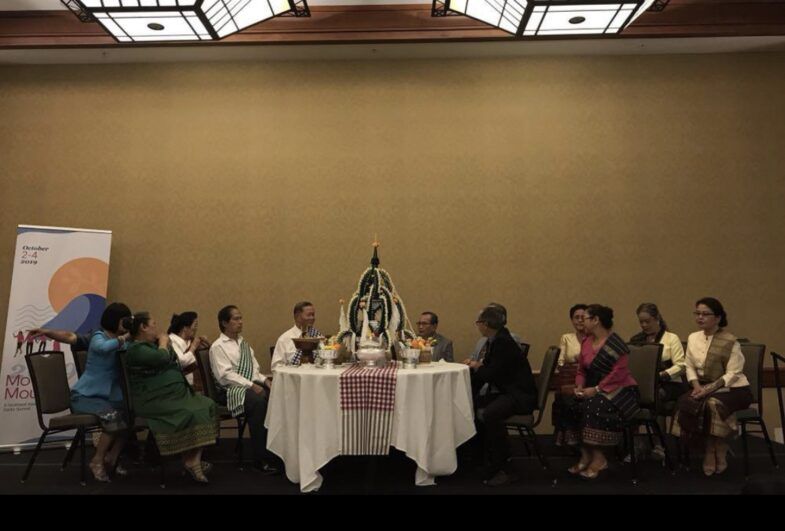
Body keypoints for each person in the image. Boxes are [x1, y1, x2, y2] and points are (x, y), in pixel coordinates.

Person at [125, 312, 218, 483]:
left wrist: (163, 345)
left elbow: (173, 357)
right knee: (192, 411)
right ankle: (190, 460)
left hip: (174, 396)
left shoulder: (152, 346)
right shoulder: (135, 349)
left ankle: (192, 459)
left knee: (208, 405)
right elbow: (163, 358)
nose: (157, 328)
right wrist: (163, 342)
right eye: (153, 324)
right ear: (143, 327)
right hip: (154, 400)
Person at [674, 297, 752, 476]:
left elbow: (733, 373)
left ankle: (720, 447)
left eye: (705, 314)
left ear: (717, 318)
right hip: (701, 387)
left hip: (734, 389)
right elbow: (689, 366)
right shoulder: (693, 338)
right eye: (697, 313)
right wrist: (695, 386)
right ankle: (709, 450)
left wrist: (707, 390)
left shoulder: (730, 341)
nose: (700, 317)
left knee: (712, 404)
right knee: (685, 401)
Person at [563, 304, 640, 480]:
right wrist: (579, 387)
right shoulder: (586, 342)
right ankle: (585, 454)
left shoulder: (615, 343)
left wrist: (596, 389)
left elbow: (618, 373)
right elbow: (582, 370)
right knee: (567, 403)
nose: (582, 321)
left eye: (586, 318)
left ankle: (599, 458)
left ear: (596, 320)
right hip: (591, 388)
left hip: (620, 389)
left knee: (592, 405)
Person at [464, 306, 537, 486]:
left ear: (486, 324)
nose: (477, 326)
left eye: (478, 322)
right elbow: (487, 371)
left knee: (490, 413)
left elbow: (490, 374)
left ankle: (504, 466)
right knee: (472, 404)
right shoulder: (496, 340)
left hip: (520, 395)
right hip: (510, 391)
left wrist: (476, 366)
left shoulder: (503, 343)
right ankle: (482, 458)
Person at [209, 305, 279, 474]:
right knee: (258, 401)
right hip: (228, 391)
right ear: (225, 323)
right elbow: (225, 376)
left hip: (246, 386)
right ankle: (260, 458)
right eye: (236, 319)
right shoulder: (218, 347)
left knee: (275, 394)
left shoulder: (243, 343)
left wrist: (265, 380)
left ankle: (276, 451)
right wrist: (251, 385)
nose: (241, 322)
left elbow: (254, 370)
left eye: (241, 318)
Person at [69, 302, 132, 482]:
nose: (126, 323)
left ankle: (111, 457)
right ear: (114, 320)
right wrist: (125, 338)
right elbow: (102, 348)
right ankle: (97, 460)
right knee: (113, 417)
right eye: (124, 320)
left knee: (129, 417)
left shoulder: (122, 341)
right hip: (85, 397)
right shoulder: (99, 335)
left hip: (107, 397)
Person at [629, 302, 687, 458]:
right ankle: (633, 443)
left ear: (657, 319)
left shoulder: (670, 338)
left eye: (647, 321)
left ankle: (659, 444)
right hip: (643, 385)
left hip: (668, 384)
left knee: (655, 396)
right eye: (641, 322)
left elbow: (681, 366)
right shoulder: (636, 339)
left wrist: (661, 375)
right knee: (628, 399)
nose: (644, 325)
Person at [552, 304, 588, 446]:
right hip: (569, 377)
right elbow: (560, 362)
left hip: (588, 379)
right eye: (576, 317)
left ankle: (565, 431)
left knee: (565, 395)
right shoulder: (567, 337)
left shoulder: (594, 338)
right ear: (572, 320)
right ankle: (567, 431)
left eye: (583, 317)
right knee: (562, 394)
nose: (580, 320)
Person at [271, 301, 322, 369]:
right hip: (293, 378)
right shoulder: (284, 339)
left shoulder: (318, 336)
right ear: (297, 317)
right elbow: (276, 366)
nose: (312, 318)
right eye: (309, 315)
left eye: (313, 315)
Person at [167, 311, 209, 385]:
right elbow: (181, 362)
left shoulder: (191, 341)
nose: (196, 328)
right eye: (195, 325)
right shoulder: (171, 340)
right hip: (180, 384)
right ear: (185, 328)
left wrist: (207, 344)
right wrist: (193, 347)